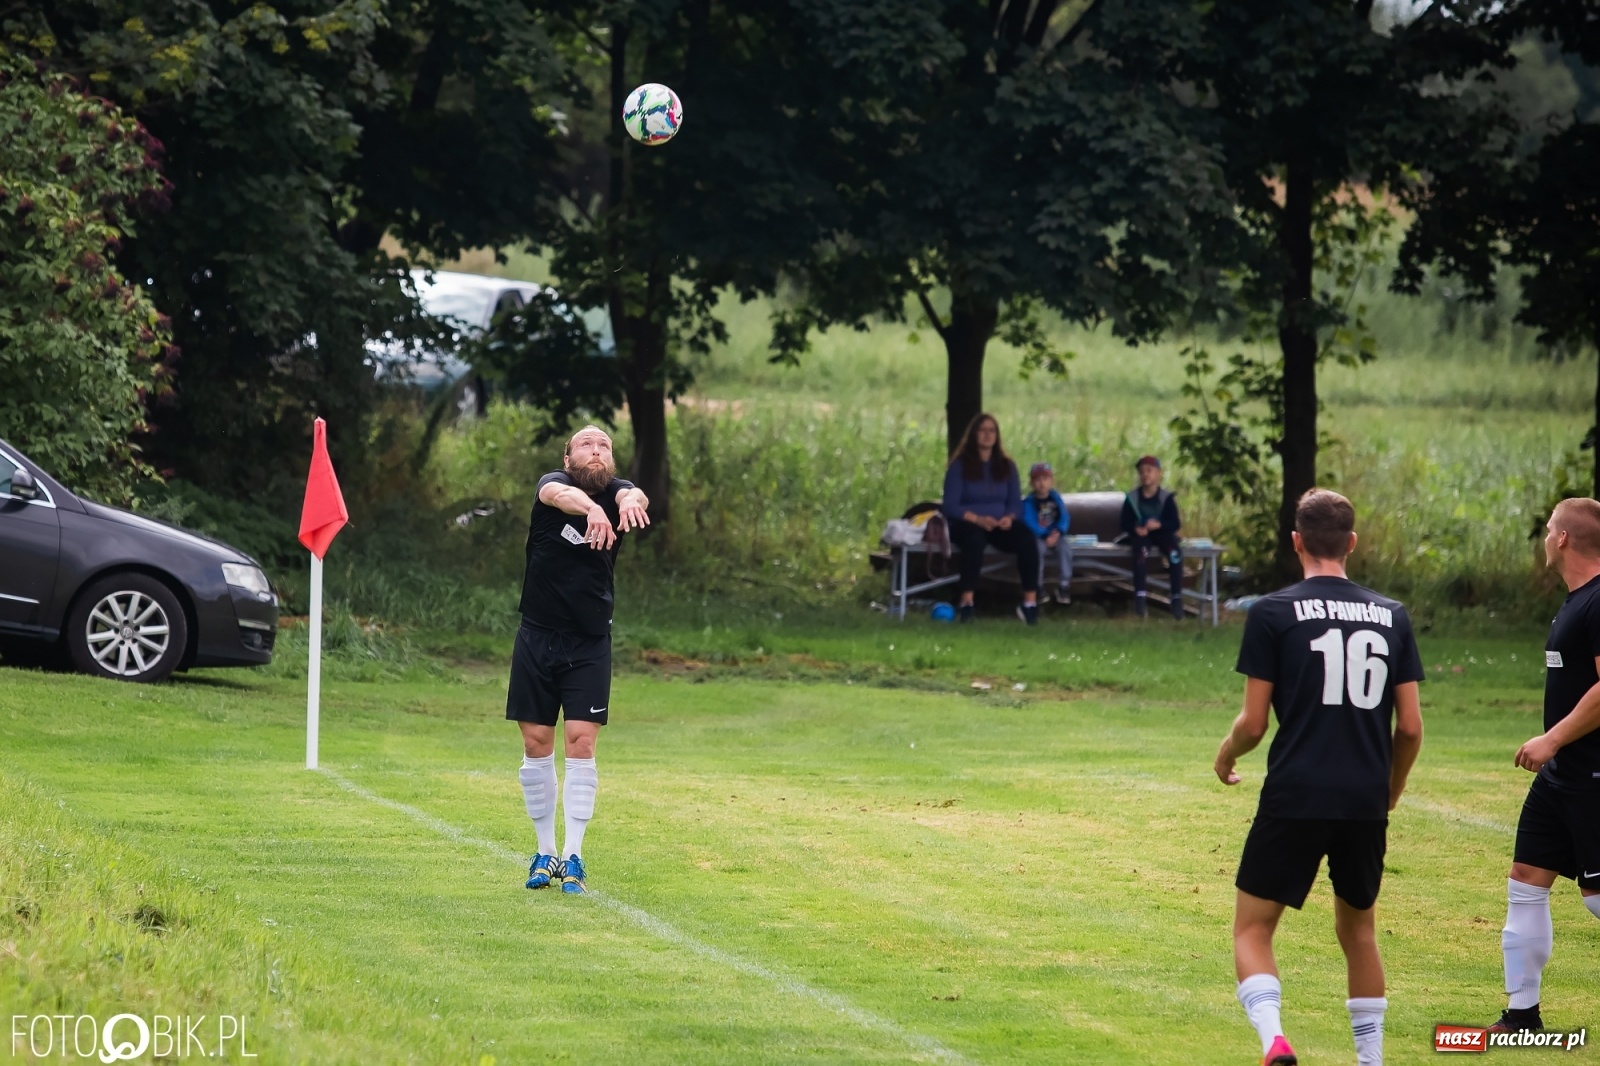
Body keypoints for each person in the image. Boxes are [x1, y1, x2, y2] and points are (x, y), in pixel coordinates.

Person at [1213, 489, 1425, 1066]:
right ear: (1352, 544)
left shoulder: (1273, 613)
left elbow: (1254, 723)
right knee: (1359, 932)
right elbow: (1409, 728)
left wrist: (1228, 752)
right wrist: (1390, 790)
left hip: (1296, 790)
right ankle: (1371, 1060)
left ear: (1296, 542)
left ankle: (1274, 1040)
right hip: (1363, 797)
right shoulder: (1392, 616)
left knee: (1253, 929)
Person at [509, 425, 650, 895]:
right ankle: (544, 850)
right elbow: (556, 495)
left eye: (605, 445)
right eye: (586, 444)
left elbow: (637, 496)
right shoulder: (554, 486)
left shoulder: (620, 493)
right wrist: (591, 508)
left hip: (589, 642)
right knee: (535, 741)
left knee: (581, 744)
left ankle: (574, 856)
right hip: (537, 635)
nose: (596, 450)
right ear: (568, 458)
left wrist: (631, 502)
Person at [1486, 498, 1600, 1035]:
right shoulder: (1576, 601)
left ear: (1562, 540)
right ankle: (1522, 1014)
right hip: (1562, 778)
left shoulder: (1599, 601)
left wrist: (1552, 739)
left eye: (1549, 529)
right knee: (1527, 879)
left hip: (1592, 775)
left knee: (1597, 898)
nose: (1545, 536)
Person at [940, 413, 1040, 624]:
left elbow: (1015, 503)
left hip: (998, 523)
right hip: (967, 522)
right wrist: (977, 519)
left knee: (1026, 538)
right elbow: (950, 505)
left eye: (992, 431)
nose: (987, 435)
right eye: (982, 430)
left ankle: (1030, 604)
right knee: (974, 541)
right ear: (974, 434)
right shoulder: (960, 465)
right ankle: (967, 602)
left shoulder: (1007, 466)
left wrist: (1009, 518)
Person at [1120, 455, 1185, 619]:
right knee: (1141, 554)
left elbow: (1175, 523)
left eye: (1149, 471)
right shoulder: (1132, 498)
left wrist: (1160, 525)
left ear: (1158, 474)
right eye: (1142, 472)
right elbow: (1124, 522)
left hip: (1162, 534)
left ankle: (1176, 597)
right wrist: (1135, 528)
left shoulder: (1166, 498)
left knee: (1175, 555)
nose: (1145, 475)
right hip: (1141, 536)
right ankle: (1140, 598)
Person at [1021, 461, 1072, 605]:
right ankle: (1038, 586)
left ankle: (1064, 585)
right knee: (1035, 551)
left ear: (1051, 481)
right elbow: (1028, 521)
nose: (1041, 483)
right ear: (1031, 483)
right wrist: (1043, 535)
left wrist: (1059, 531)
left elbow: (1064, 517)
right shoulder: (1029, 502)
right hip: (1039, 536)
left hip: (1056, 535)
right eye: (1037, 480)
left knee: (1065, 549)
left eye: (1045, 479)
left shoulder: (1055, 498)